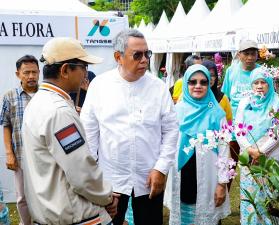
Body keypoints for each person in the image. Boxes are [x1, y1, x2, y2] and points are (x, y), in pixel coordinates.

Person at [80, 29, 179, 225]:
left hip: (149, 176)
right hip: (111, 178)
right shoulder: (99, 86)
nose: (144, 60)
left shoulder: (158, 87)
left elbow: (171, 130)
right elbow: (89, 134)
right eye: (137, 55)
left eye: (147, 54)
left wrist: (161, 168)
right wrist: (93, 178)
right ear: (118, 57)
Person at [21, 37, 118, 225]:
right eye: (83, 68)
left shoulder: (39, 102)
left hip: (51, 212)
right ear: (65, 70)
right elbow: (81, 170)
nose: (86, 75)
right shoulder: (58, 111)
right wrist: (107, 196)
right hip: (73, 215)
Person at [164, 64, 231, 225]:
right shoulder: (175, 112)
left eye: (203, 82)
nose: (198, 86)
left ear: (210, 84)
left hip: (208, 178)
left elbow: (224, 151)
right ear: (185, 84)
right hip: (181, 176)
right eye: (192, 82)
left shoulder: (217, 114)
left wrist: (222, 184)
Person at [235, 67, 279, 225]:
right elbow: (238, 128)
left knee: (269, 194)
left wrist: (261, 151)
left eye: (263, 82)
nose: (259, 86)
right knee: (250, 194)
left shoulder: (278, 102)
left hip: (271, 156)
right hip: (249, 156)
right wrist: (250, 150)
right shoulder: (245, 102)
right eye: (255, 82)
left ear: (269, 84)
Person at [0, 54, 39, 225]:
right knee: (22, 197)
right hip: (21, 156)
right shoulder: (9, 96)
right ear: (18, 74)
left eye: (34, 72)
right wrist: (9, 153)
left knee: (44, 195)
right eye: (26, 72)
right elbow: (6, 125)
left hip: (44, 156)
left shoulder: (46, 94)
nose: (31, 76)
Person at [221, 39, 261, 189]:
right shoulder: (231, 72)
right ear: (239, 55)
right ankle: (224, 196)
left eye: (253, 53)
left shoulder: (260, 72)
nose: (250, 57)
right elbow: (225, 97)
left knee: (253, 164)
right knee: (230, 163)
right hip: (233, 127)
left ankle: (252, 199)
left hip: (253, 127)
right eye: (247, 54)